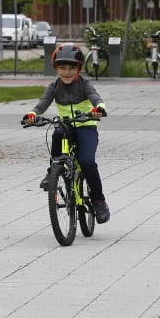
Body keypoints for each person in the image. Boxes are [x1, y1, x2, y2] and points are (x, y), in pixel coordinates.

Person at [20, 44, 111, 223]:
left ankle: (99, 201)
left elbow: (95, 97)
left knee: (87, 162)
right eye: (62, 68)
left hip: (86, 125)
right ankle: (53, 171)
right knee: (56, 133)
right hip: (66, 125)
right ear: (56, 68)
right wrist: (33, 115)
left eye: (72, 68)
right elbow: (42, 103)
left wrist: (99, 108)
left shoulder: (85, 84)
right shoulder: (54, 86)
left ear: (79, 68)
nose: (67, 72)